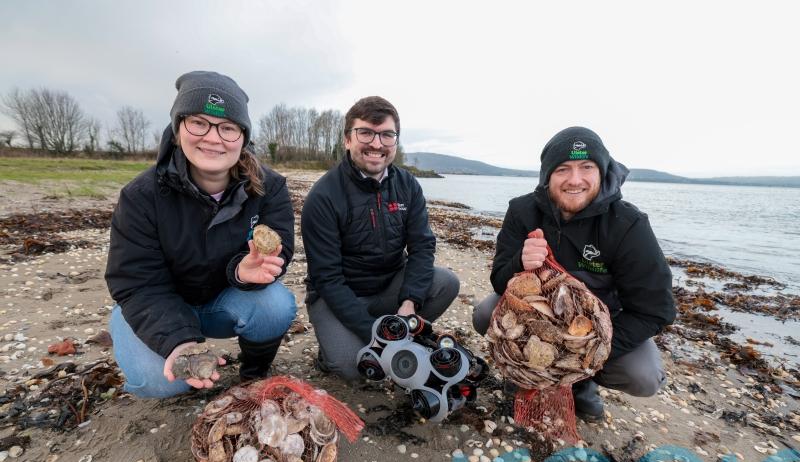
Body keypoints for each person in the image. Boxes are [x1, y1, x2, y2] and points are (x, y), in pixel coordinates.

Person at [105, 71, 296, 398]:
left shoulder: (270, 187)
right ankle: (177, 351)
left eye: (227, 127)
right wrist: (179, 343)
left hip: (225, 299)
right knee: (156, 382)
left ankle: (252, 374)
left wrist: (242, 271)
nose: (213, 138)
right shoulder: (140, 196)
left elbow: (281, 249)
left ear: (243, 137)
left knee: (276, 304)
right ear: (178, 128)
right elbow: (136, 281)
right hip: (158, 302)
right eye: (198, 122)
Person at [472, 126, 675, 420]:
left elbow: (656, 310)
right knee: (485, 313)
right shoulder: (522, 211)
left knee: (643, 376)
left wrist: (582, 357)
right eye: (563, 169)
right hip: (536, 320)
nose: (574, 180)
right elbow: (498, 280)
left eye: (586, 167)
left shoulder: (628, 225)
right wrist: (519, 262)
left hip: (597, 328)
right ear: (547, 176)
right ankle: (524, 374)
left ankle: (581, 384)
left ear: (602, 172)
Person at [301, 96, 460, 381]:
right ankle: (336, 351)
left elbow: (423, 246)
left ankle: (398, 333)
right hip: (337, 295)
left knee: (446, 282)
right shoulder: (323, 196)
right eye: (366, 133)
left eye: (387, 135)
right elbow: (327, 278)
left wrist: (410, 301)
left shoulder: (408, 185)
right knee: (354, 368)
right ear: (348, 140)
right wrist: (374, 333)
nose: (376, 144)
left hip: (389, 286)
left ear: (395, 142)